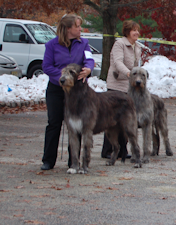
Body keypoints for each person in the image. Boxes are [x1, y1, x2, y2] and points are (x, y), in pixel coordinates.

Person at [41, 14, 94, 170]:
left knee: (75, 124)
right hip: (57, 89)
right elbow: (47, 66)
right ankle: (48, 160)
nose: (80, 29)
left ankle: (74, 161)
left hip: (76, 91)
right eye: (77, 26)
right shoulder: (52, 45)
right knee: (54, 123)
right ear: (68, 28)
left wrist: (88, 69)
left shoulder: (83, 43)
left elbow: (89, 59)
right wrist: (63, 77)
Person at [101, 20, 142, 159]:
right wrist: (129, 74)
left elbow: (136, 65)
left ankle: (122, 150)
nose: (137, 33)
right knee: (112, 119)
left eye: (137, 30)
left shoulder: (137, 46)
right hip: (116, 84)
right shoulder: (119, 44)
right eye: (134, 30)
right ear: (127, 32)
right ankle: (108, 150)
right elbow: (118, 62)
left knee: (126, 118)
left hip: (129, 87)